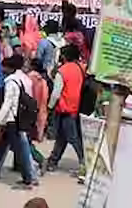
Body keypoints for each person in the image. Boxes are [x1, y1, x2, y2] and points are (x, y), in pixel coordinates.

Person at [0, 54, 40, 189]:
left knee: (20, 150)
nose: (1, 69)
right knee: (3, 147)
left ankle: (29, 179)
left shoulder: (11, 82)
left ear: (8, 68)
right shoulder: (24, 79)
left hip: (12, 120)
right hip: (19, 119)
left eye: (3, 66)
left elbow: (8, 104)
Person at [44, 42, 86, 174]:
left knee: (73, 139)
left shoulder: (62, 71)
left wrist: (49, 107)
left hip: (64, 108)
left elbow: (56, 93)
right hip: (74, 108)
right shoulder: (80, 69)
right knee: (62, 137)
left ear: (64, 56)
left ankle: (84, 162)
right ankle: (53, 161)